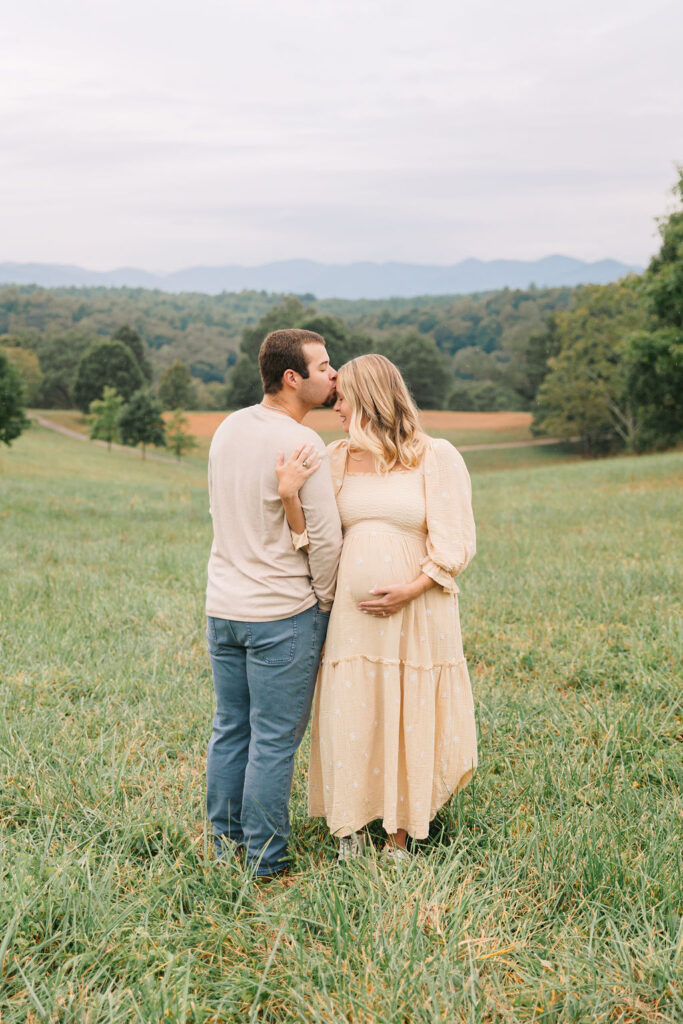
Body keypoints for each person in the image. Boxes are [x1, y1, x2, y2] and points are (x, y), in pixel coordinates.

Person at [275, 353, 477, 862]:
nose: (335, 406)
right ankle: (352, 825)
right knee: (352, 707)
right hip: (352, 616)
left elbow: (456, 543)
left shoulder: (435, 455)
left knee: (405, 708)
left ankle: (399, 834)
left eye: (342, 398)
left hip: (417, 612)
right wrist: (290, 497)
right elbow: (314, 540)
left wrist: (410, 588)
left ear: (367, 399)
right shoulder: (334, 457)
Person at [205, 328, 343, 878]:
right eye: (324, 366)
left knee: (230, 727)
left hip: (223, 607)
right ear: (293, 378)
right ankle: (265, 860)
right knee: (273, 740)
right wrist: (326, 604)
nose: (333, 375)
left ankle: (223, 847)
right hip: (282, 613)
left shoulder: (227, 429)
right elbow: (327, 542)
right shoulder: (304, 446)